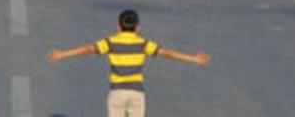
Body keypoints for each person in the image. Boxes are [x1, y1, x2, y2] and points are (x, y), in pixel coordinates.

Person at [48, 10, 210, 117]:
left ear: (118, 26)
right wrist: (194, 58)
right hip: (137, 94)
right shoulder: (143, 43)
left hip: (117, 93)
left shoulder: (110, 42)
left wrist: (62, 54)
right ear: (138, 27)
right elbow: (167, 53)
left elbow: (87, 49)